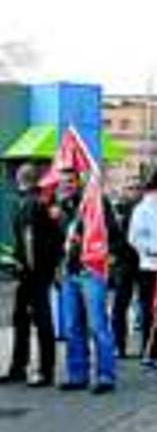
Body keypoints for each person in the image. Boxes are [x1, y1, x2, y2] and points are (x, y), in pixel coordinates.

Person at [57, 167, 124, 394]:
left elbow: (115, 237)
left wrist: (106, 258)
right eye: (63, 181)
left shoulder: (97, 203)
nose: (66, 185)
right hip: (69, 273)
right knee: (72, 326)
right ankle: (78, 374)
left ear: (80, 182)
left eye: (70, 181)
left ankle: (106, 375)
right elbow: (59, 242)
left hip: (91, 273)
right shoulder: (62, 207)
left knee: (97, 325)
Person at [0, 164, 63, 387]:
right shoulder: (38, 203)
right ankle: (21, 366)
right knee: (22, 318)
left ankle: (43, 370)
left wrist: (27, 266)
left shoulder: (30, 204)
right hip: (36, 270)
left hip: (34, 272)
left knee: (40, 320)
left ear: (21, 179)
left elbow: (29, 241)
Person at [127, 167, 157, 367]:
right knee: (151, 309)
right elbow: (134, 238)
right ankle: (150, 351)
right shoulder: (143, 208)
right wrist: (155, 249)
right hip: (150, 266)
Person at [111, 182, 143, 359]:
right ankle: (119, 345)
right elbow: (112, 235)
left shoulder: (147, 210)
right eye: (130, 187)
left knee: (146, 306)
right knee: (119, 305)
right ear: (124, 190)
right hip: (124, 263)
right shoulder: (119, 210)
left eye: (137, 187)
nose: (134, 190)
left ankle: (148, 347)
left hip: (144, 262)